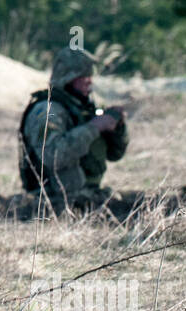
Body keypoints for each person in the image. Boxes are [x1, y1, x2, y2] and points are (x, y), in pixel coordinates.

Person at [18, 48, 129, 213]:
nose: (89, 82)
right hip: (53, 201)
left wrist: (117, 128)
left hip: (86, 196)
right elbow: (53, 155)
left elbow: (115, 154)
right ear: (67, 78)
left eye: (90, 76)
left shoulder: (81, 108)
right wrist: (94, 127)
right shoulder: (47, 111)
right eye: (83, 77)